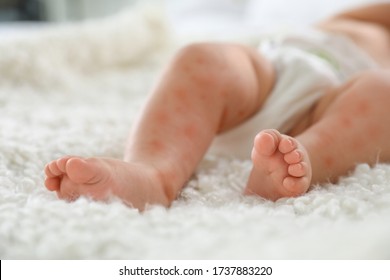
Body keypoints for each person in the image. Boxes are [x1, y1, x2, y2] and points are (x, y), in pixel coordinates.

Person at [44, 3, 390, 210]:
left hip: (334, 102)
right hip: (275, 70)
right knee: (202, 58)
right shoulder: (364, 18)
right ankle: (153, 173)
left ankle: (303, 160)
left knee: (382, 92)